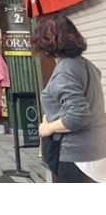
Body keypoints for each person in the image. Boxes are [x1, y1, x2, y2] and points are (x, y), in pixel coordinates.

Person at [31, 14, 106, 183]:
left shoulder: (65, 70)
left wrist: (48, 128)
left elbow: (78, 115)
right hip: (97, 150)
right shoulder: (86, 65)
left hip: (77, 157)